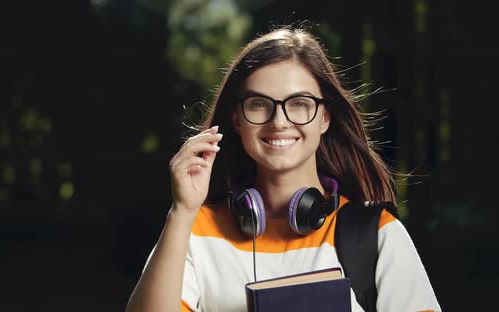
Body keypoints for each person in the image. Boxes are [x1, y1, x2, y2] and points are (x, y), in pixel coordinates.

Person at [126, 25, 441, 312]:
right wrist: (181, 211)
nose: (279, 122)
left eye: (299, 104)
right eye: (259, 104)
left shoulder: (376, 235)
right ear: (237, 119)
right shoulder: (196, 231)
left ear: (324, 118)